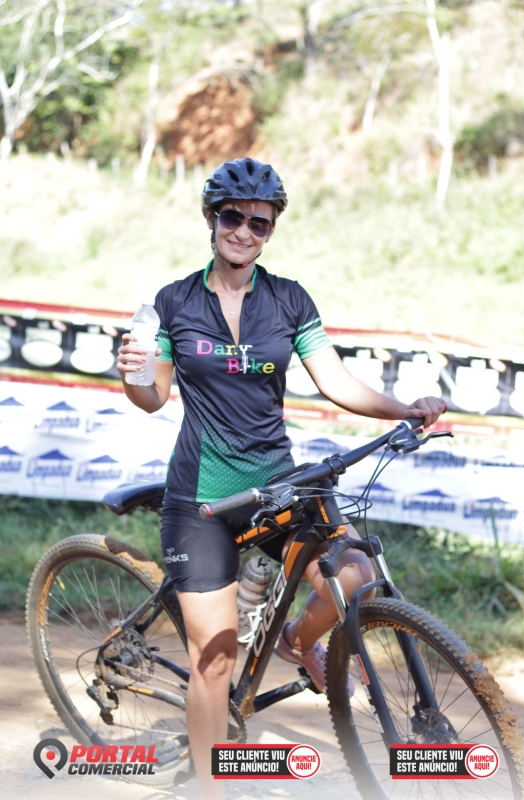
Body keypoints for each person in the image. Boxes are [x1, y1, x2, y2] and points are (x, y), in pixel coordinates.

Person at [116, 157, 446, 800]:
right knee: (215, 659)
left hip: (276, 485)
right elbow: (151, 397)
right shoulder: (174, 301)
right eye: (232, 217)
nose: (244, 231)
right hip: (203, 500)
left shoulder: (289, 299)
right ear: (211, 219)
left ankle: (297, 640)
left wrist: (405, 409)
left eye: (258, 222)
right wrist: (131, 372)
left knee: (355, 571)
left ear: (271, 229)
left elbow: (336, 380)